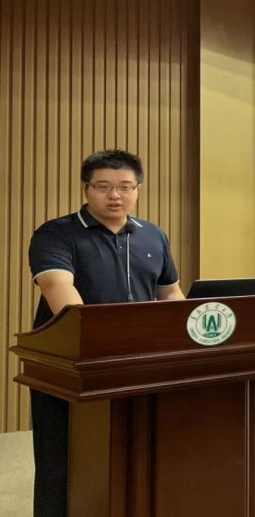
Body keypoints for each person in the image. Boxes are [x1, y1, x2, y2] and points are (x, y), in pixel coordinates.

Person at [27, 149, 185, 517]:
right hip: (72, 364)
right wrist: (99, 337)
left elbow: (169, 294)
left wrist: (183, 334)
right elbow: (58, 288)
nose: (115, 195)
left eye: (126, 187)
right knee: (64, 462)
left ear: (138, 189)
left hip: (140, 362)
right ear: (86, 188)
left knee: (138, 454)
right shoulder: (56, 233)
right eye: (103, 186)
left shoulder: (153, 235)